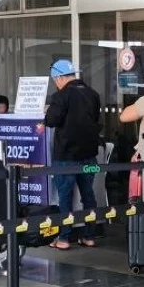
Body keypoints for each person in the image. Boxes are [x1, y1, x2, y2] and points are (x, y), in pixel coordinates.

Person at [44, 59, 101, 250]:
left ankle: (64, 238)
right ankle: (90, 235)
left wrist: (44, 118)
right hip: (89, 153)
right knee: (88, 194)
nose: (55, 84)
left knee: (65, 196)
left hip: (66, 155)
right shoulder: (93, 94)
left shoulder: (61, 96)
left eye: (55, 80)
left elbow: (51, 120)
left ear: (60, 77)